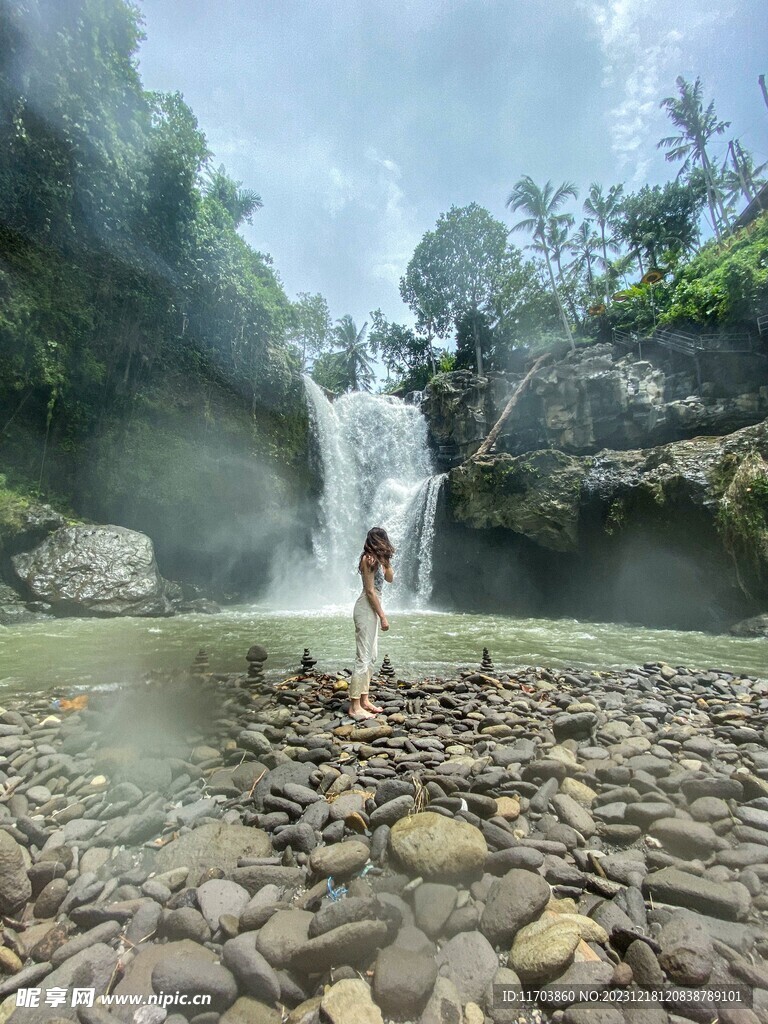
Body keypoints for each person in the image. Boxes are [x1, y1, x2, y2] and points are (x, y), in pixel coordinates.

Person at [348, 526, 395, 720]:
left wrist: (387, 562)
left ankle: (364, 699)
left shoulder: (379, 561)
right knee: (363, 656)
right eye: (383, 540)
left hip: (373, 608)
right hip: (366, 607)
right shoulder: (367, 560)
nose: (386, 544)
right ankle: (354, 706)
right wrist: (382, 615)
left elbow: (390, 579)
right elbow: (369, 591)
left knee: (372, 656)